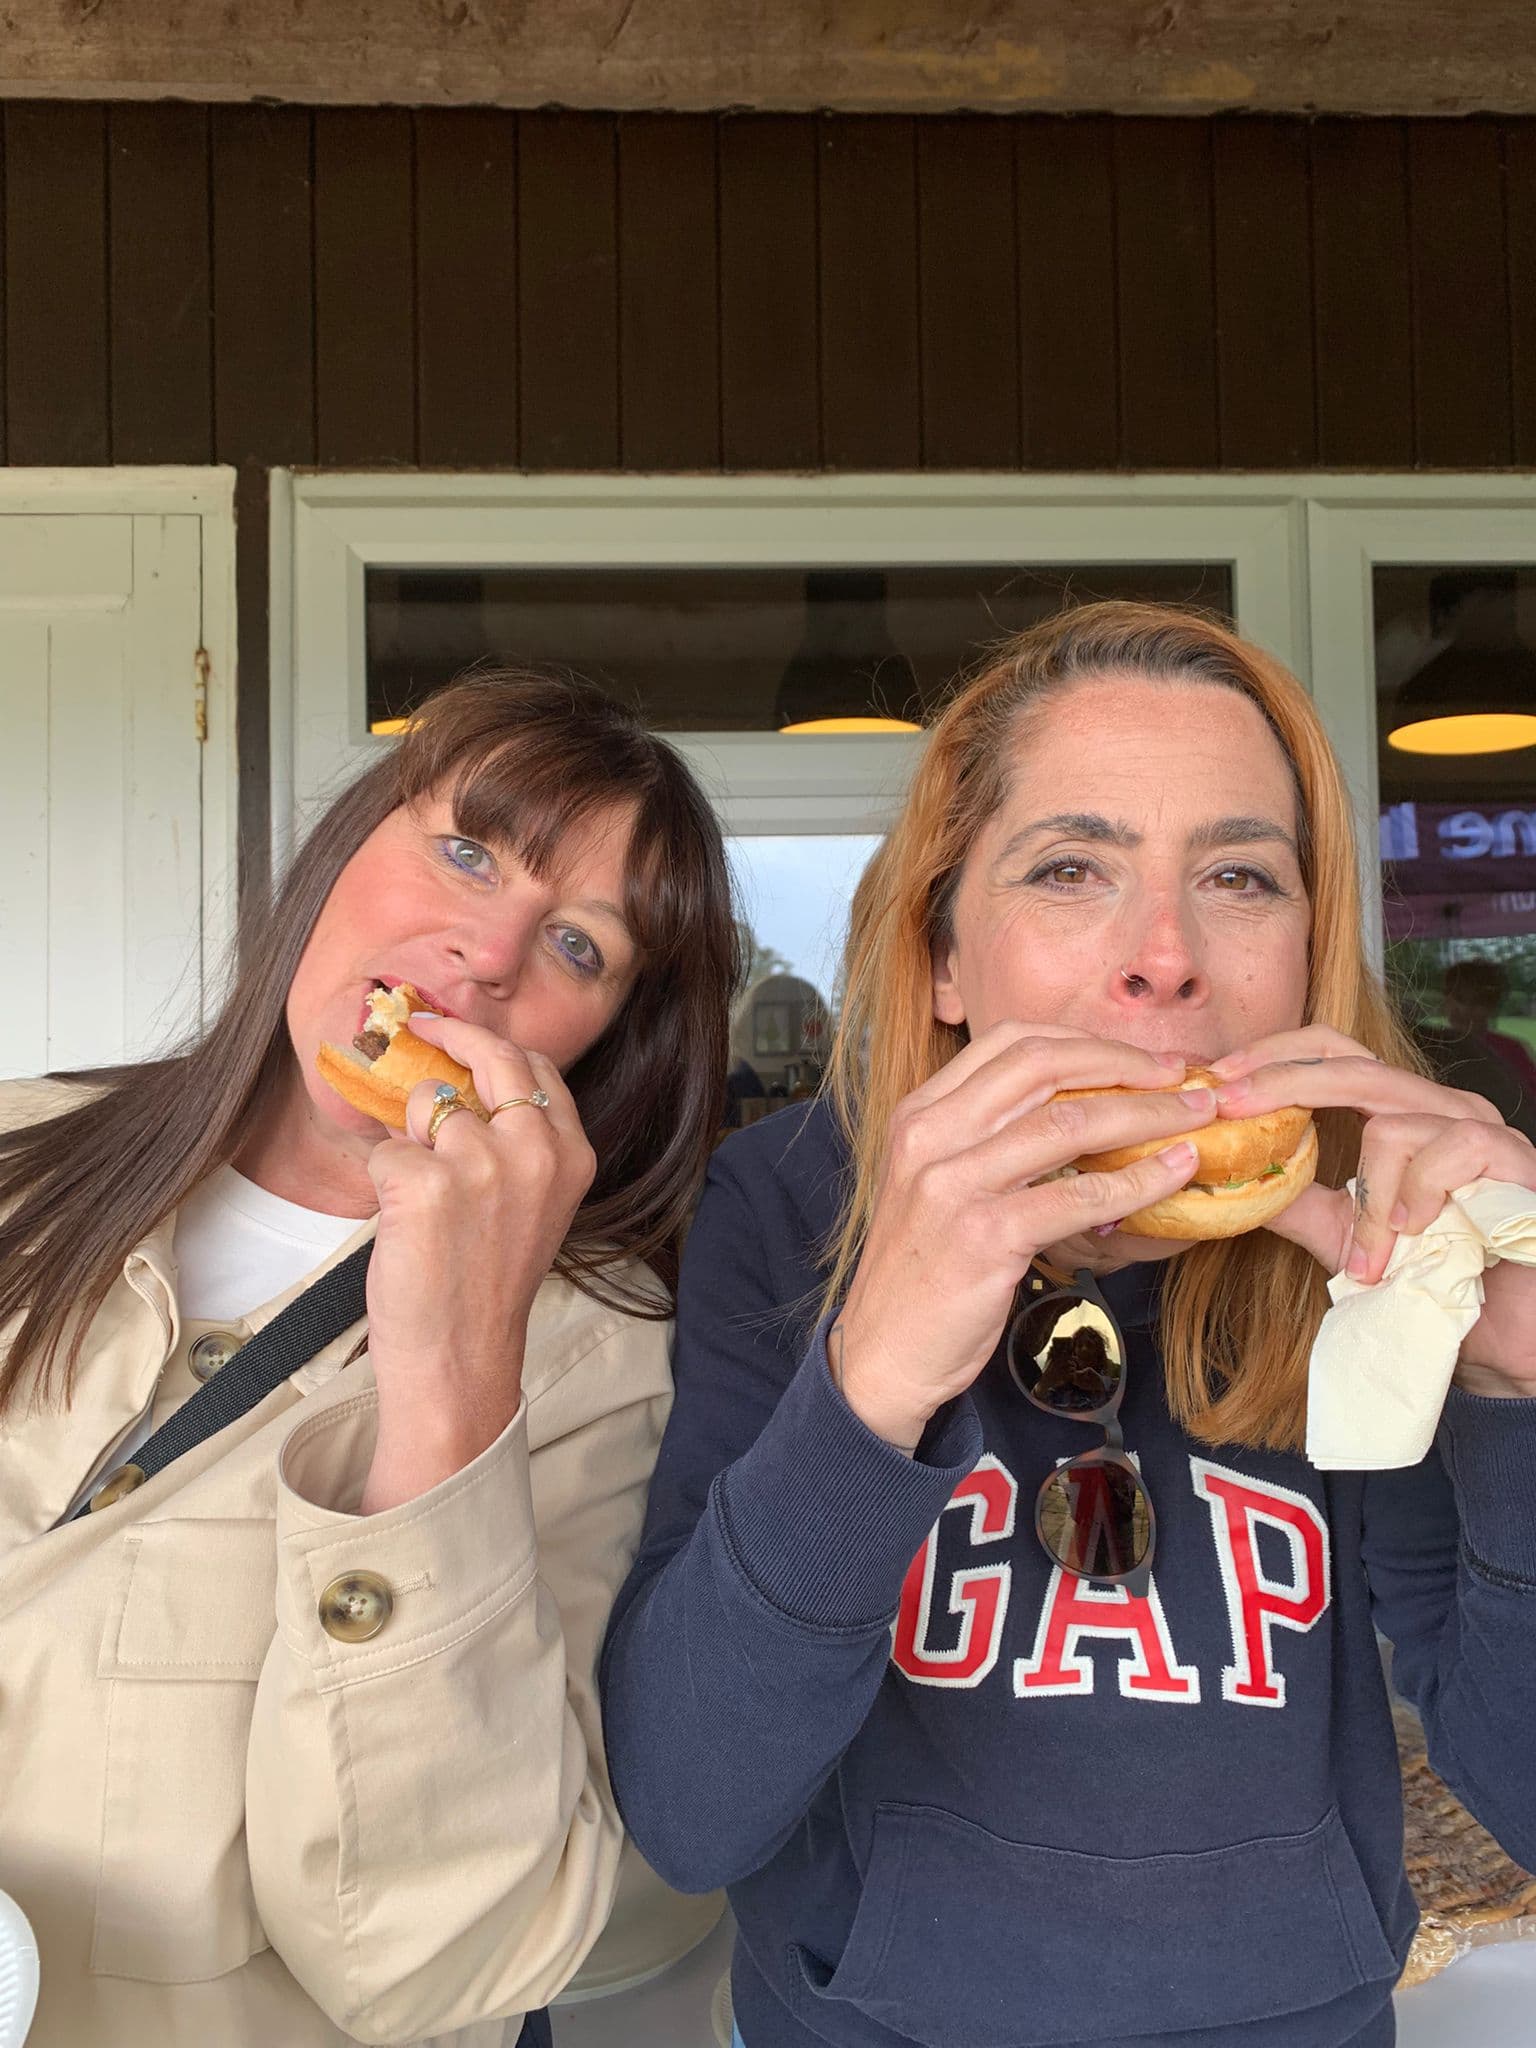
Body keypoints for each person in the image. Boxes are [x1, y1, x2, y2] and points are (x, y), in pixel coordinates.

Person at [601, 603, 1536, 2048]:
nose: (1164, 958)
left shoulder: (1387, 1248)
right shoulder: (794, 1203)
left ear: (1307, 954)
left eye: (1240, 875)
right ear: (944, 964)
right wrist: (877, 1375)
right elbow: (688, 1808)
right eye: (1070, 868)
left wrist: (1513, 1389)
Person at [0, 671, 739, 2048]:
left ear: (604, 1047)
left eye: (580, 946)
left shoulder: (602, 1359)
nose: (491, 952)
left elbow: (428, 1965)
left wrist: (456, 1372)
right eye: (466, 851)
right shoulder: (18, 1156)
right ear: (344, 850)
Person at [1413, 955, 1536, 1143]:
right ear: (1446, 999)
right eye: (1459, 998)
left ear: (1490, 1007)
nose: (1465, 1010)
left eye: (1476, 1002)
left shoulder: (1513, 1050)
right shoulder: (1430, 1046)